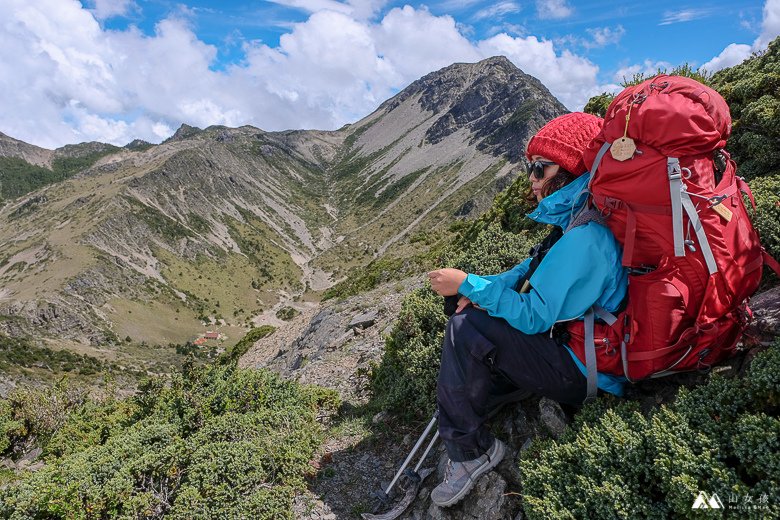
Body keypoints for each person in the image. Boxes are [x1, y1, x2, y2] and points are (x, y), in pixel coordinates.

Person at [426, 112, 628, 508]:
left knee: (466, 327)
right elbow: (531, 268)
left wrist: (468, 285)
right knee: (473, 312)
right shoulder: (578, 217)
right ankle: (487, 395)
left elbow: (535, 315)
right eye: (530, 169)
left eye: (540, 169)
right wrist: (480, 287)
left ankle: (472, 453)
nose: (532, 181)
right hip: (569, 346)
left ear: (571, 169)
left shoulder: (585, 239)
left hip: (584, 372)